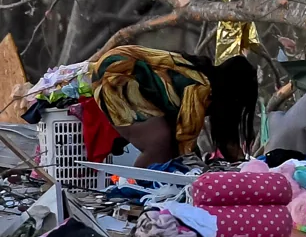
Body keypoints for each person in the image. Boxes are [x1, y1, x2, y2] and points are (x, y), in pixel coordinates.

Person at [90, 46, 259, 167]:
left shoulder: (200, 75)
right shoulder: (202, 87)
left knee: (166, 143)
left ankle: (140, 185)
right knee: (158, 142)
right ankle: (132, 190)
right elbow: (185, 140)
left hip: (115, 63)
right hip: (116, 72)